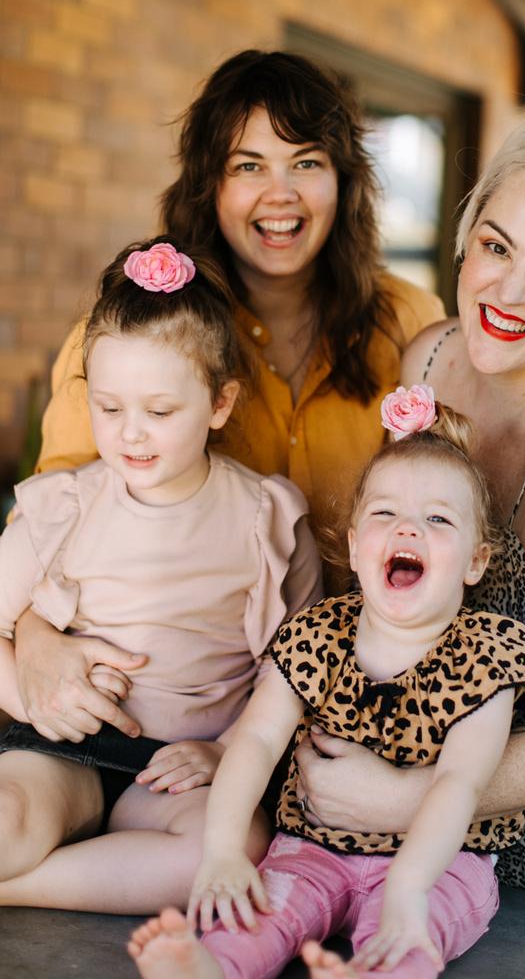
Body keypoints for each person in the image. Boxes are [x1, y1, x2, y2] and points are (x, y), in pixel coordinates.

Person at [13, 48, 443, 753]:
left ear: (345, 181)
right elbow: (52, 521)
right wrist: (30, 638)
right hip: (160, 717)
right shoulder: (141, 337)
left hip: (363, 703)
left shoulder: (412, 325)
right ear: (208, 183)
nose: (281, 195)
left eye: (306, 162)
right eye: (248, 166)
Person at [291, 110, 525, 912]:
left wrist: (403, 800)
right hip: (408, 777)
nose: (509, 292)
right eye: (496, 247)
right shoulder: (433, 355)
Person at [126, 386, 525, 979]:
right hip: (311, 848)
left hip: (438, 863)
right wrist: (224, 850)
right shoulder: (319, 634)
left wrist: (408, 885)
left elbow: (461, 781)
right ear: (356, 549)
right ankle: (211, 967)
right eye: (385, 513)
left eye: (437, 519)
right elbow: (254, 741)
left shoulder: (487, 655)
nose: (407, 528)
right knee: (264, 906)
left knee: (410, 930)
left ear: (476, 561)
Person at [0, 238, 322, 914]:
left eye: (160, 410)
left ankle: (22, 890)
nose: (131, 435)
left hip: (182, 770)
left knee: (228, 848)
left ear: (219, 404)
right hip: (64, 753)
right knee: (6, 819)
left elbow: (294, 669)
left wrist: (226, 751)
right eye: (109, 408)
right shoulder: (63, 505)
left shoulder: (267, 518)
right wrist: (32, 700)